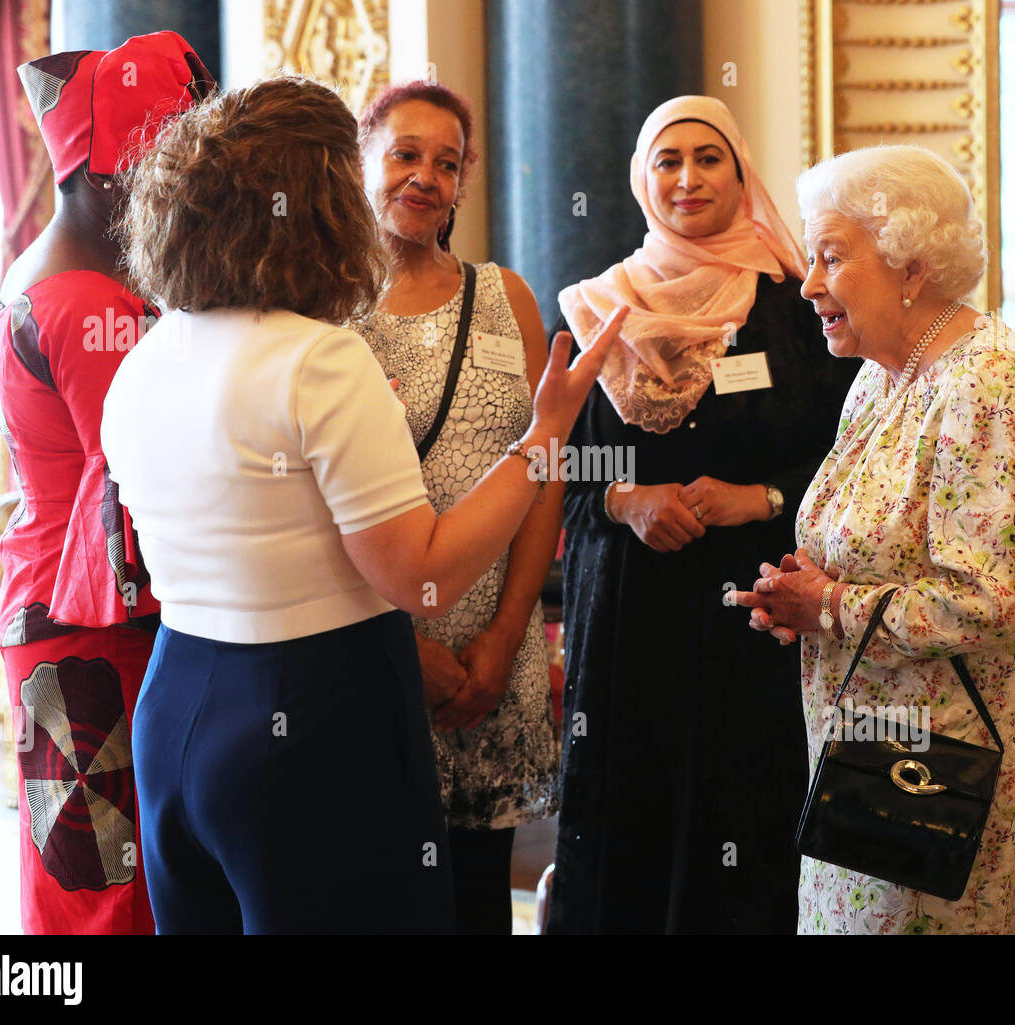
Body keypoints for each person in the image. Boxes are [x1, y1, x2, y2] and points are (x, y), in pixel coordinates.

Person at [101, 75, 626, 934]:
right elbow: (420, 578)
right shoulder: (318, 360)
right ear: (323, 203)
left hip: (175, 706)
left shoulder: (148, 358)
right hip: (309, 712)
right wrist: (547, 434)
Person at [728, 144, 1015, 934]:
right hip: (860, 756)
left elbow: (991, 600)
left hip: (942, 773)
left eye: (831, 257)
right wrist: (802, 592)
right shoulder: (883, 375)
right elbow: (868, 547)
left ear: (910, 266)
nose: (808, 283)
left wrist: (835, 607)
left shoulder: (991, 383)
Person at [547, 95, 861, 934]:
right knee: (630, 821)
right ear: (643, 180)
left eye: (708, 158)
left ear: (741, 170)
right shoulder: (592, 312)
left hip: (758, 617)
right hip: (626, 624)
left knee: (747, 817)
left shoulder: (801, 308)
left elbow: (851, 461)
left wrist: (758, 498)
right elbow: (553, 467)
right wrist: (625, 498)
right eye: (668, 161)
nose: (688, 178)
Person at [0, 31, 214, 935]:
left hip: (66, 614)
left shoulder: (63, 274)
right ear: (103, 173)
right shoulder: (83, 301)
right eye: (158, 167)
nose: (175, 193)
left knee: (93, 873)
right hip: (84, 628)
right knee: (104, 892)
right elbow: (146, 486)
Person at [353, 82, 560, 934]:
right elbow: (308, 503)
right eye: (405, 154)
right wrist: (404, 646)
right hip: (369, 657)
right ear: (362, 163)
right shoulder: (324, 312)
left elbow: (543, 468)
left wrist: (508, 635)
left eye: (447, 162)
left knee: (475, 901)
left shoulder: (508, 297)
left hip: (492, 670)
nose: (425, 178)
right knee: (377, 891)